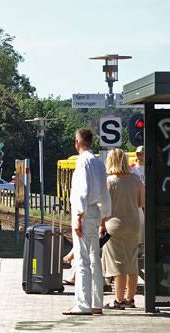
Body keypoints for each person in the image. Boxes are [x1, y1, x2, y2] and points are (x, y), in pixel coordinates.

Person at [63, 128, 111, 316]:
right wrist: (104, 218)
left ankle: (83, 304)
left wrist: (78, 216)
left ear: (77, 143)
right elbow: (105, 193)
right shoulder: (99, 163)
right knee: (95, 259)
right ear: (91, 142)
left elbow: (83, 190)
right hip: (97, 212)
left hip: (84, 213)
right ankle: (97, 303)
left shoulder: (83, 162)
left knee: (82, 261)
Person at [102, 148, 144, 310]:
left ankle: (118, 300)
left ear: (110, 161)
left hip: (115, 226)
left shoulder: (109, 182)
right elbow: (141, 203)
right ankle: (130, 299)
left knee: (118, 264)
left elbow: (104, 208)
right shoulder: (136, 180)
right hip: (134, 224)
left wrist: (101, 226)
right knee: (132, 262)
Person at [131, 146, 145, 255]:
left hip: (148, 200)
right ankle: (139, 244)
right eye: (138, 154)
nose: (140, 156)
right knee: (140, 222)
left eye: (142, 154)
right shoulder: (132, 169)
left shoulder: (151, 167)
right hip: (137, 201)